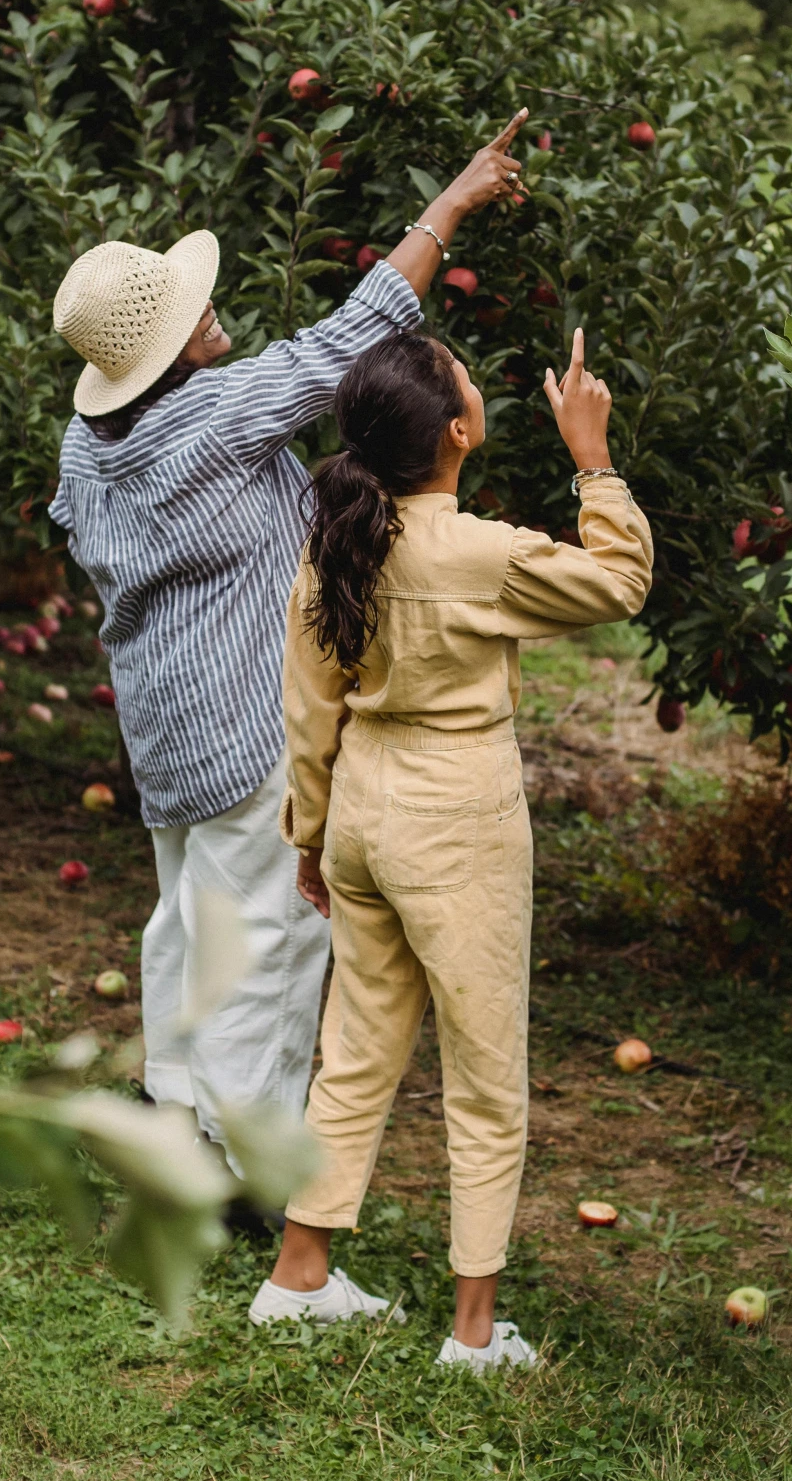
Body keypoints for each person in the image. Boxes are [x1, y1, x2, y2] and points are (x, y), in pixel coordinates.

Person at [48, 116, 527, 1206]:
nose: (210, 310)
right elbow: (347, 340)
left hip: (166, 727)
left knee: (186, 929)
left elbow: (86, 530)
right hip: (253, 728)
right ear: (170, 354)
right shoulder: (215, 417)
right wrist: (446, 208)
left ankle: (181, 1126)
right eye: (193, 312)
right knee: (266, 949)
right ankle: (262, 1178)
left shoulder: (91, 444)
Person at [251, 326, 653, 1366]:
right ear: (459, 432)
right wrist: (593, 461)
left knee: (355, 1051)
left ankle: (299, 1272)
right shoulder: (478, 551)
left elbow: (310, 710)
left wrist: (310, 834)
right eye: (473, 386)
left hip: (364, 816)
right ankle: (473, 1332)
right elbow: (617, 585)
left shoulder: (337, 539)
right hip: (456, 817)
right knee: (482, 1072)